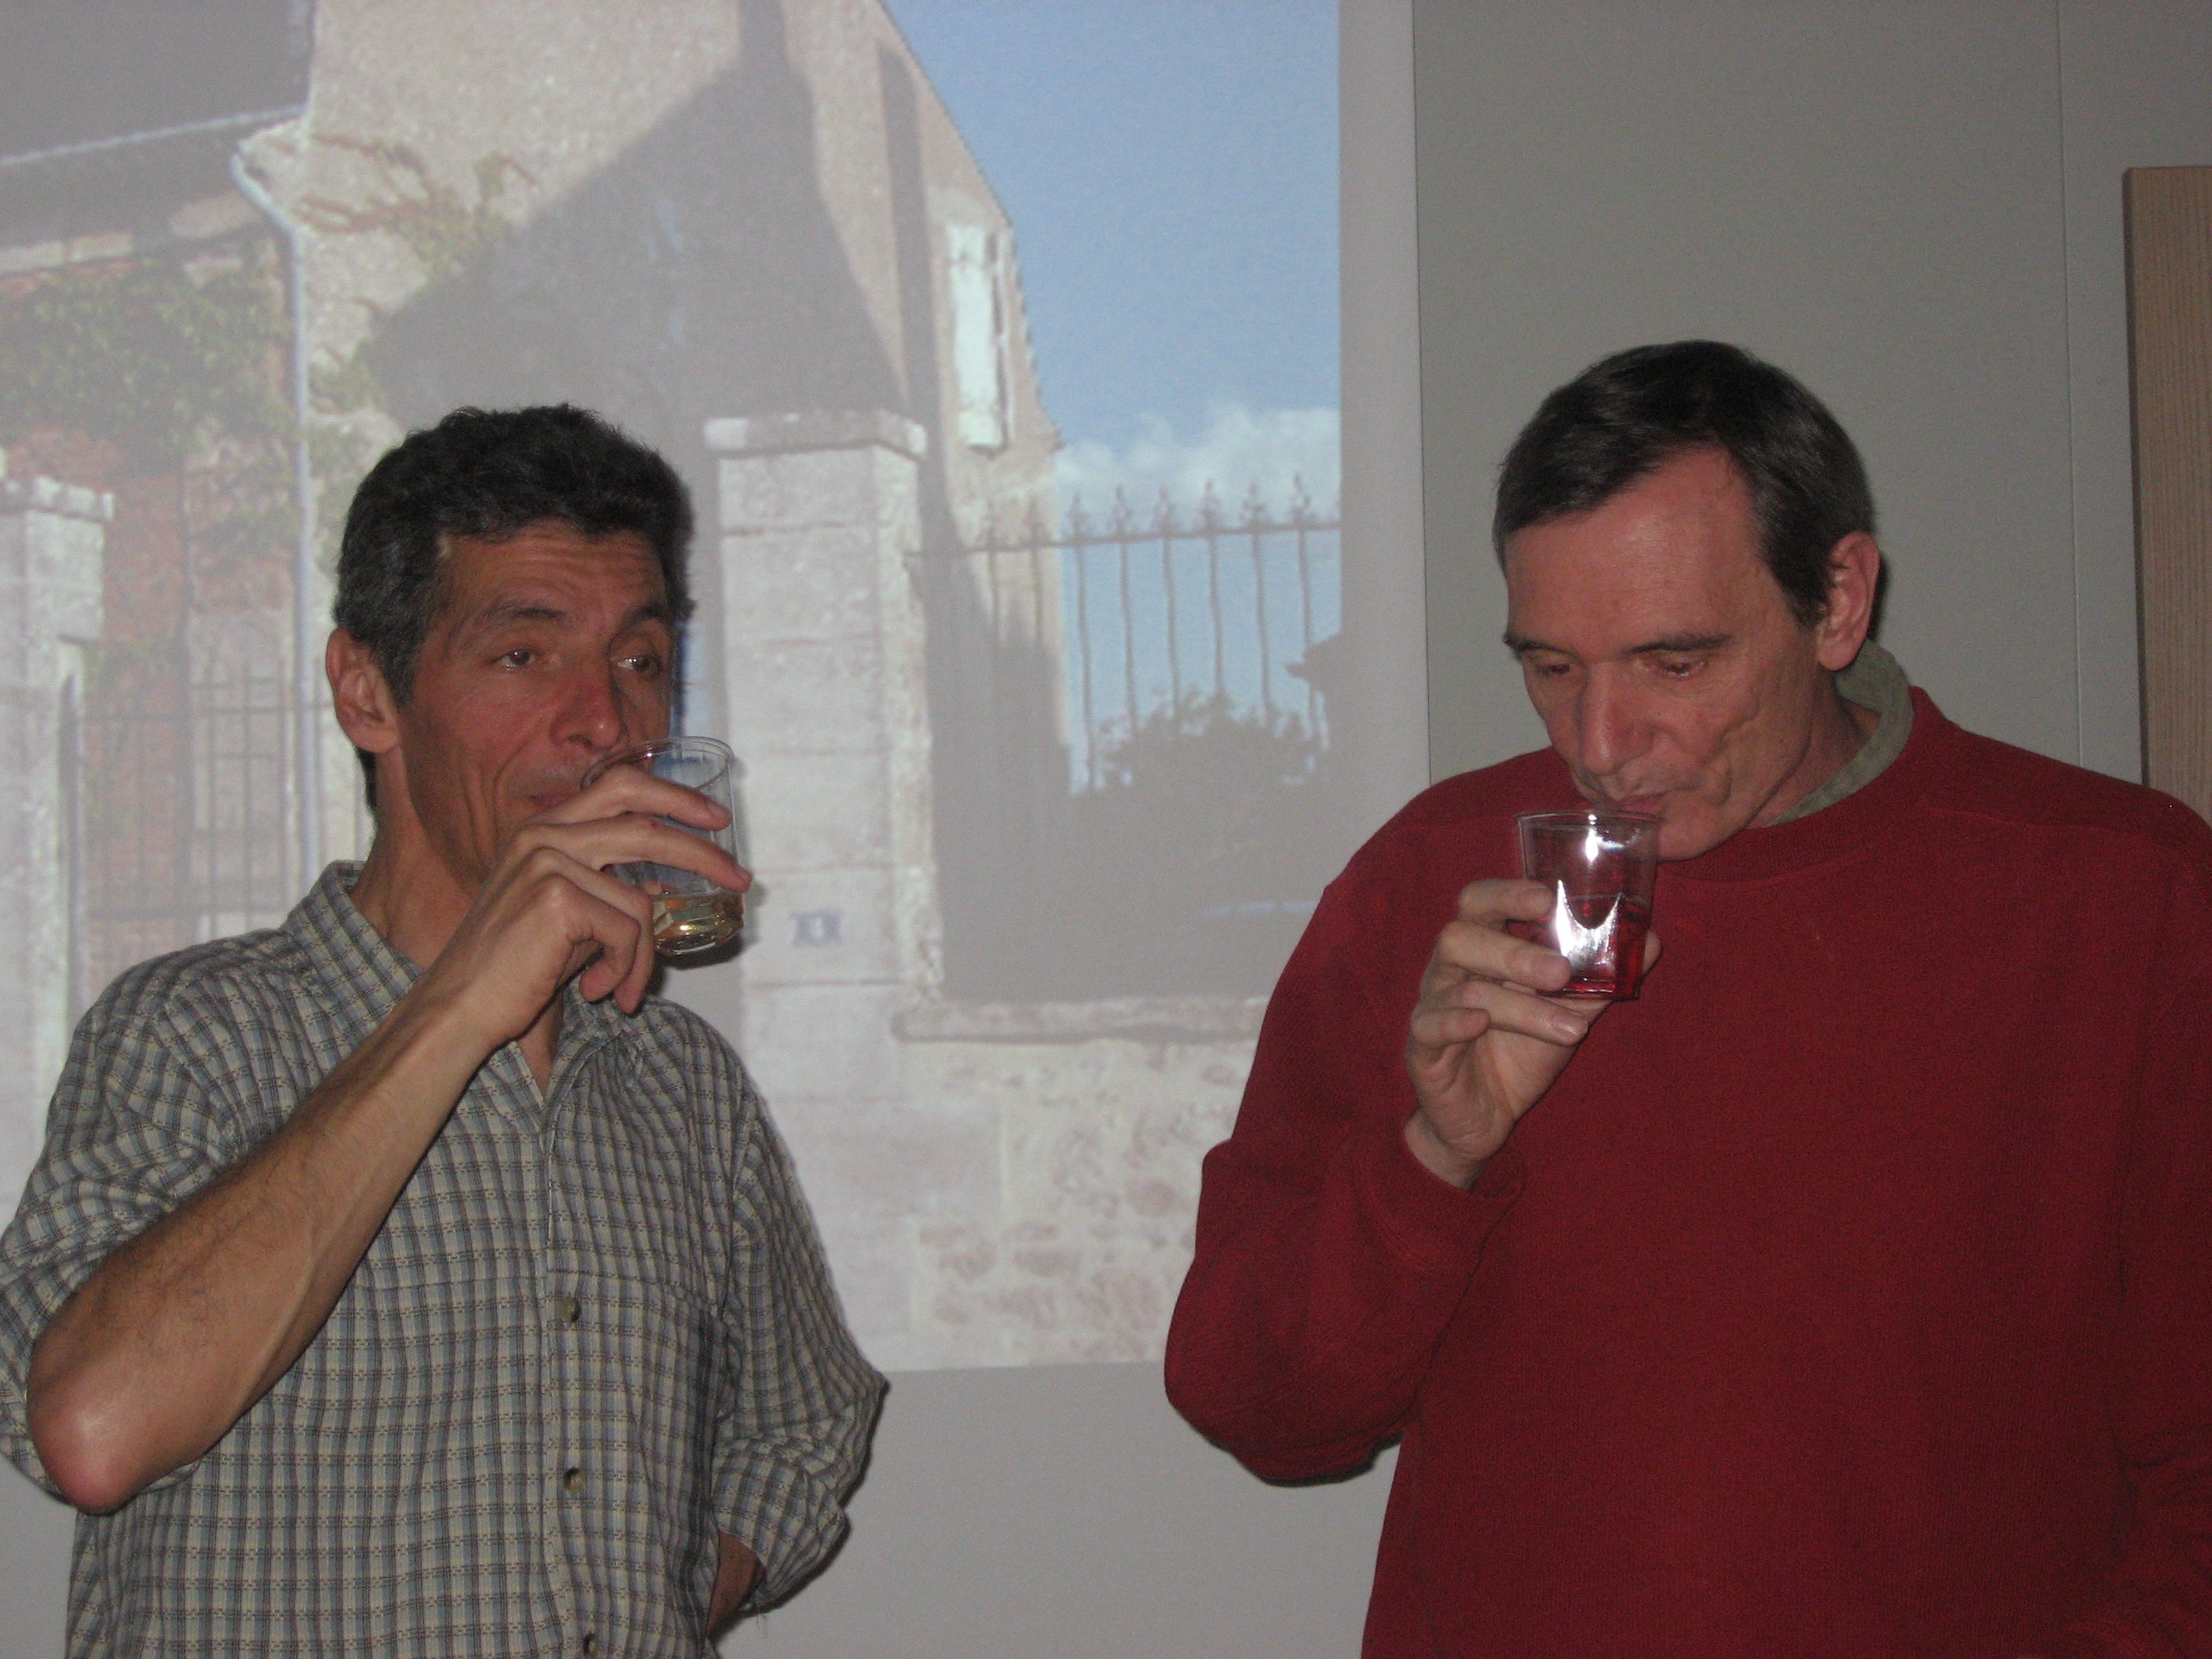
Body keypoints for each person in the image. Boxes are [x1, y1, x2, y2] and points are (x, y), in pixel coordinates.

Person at [1165, 342, 2212, 1657]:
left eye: (1673, 663)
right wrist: (1435, 1160)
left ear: (1839, 601)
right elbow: (1258, 1409)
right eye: (1552, 667)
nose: (1602, 747)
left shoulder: (2123, 897)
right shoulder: (1431, 884)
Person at [0, 406, 884, 1656]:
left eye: (639, 659)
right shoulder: (193, 1031)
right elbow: (90, 1434)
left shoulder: (679, 1079)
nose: (604, 721)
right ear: (368, 693)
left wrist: (667, 1602)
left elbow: (807, 1420)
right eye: (523, 656)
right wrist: (463, 1003)